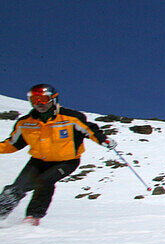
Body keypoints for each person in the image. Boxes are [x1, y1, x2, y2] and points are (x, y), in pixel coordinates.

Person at [0, 84, 112, 225]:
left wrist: (103, 139)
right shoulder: (25, 123)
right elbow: (12, 144)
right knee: (17, 188)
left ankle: (33, 217)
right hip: (38, 161)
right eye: (34, 100)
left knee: (44, 181)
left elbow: (90, 130)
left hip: (66, 161)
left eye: (43, 99)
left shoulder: (71, 118)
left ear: (53, 99)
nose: (39, 103)